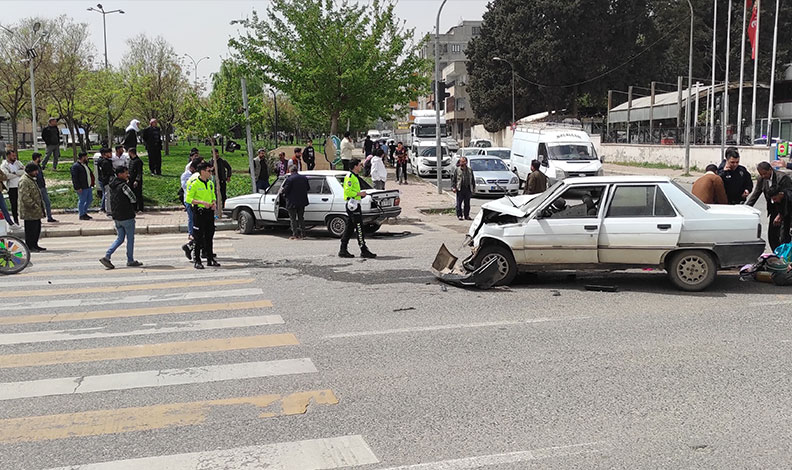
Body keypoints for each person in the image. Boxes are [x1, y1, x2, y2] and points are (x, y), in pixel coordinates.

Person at [100, 166, 142, 269]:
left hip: (117, 216)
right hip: (127, 216)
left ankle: (107, 256)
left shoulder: (112, 185)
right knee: (130, 239)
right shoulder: (124, 186)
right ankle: (130, 260)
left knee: (120, 238)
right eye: (125, 173)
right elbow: (133, 198)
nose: (128, 175)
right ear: (120, 174)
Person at [747, 162, 792, 250]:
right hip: (773, 208)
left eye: (765, 173)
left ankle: (785, 254)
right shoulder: (761, 179)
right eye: (761, 174)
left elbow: (789, 196)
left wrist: (781, 214)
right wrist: (747, 207)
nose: (763, 176)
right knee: (772, 235)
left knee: (784, 234)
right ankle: (776, 253)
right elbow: (756, 194)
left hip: (786, 209)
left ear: (770, 170)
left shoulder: (782, 178)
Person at [339, 158, 376, 259]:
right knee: (359, 227)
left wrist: (361, 195)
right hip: (353, 205)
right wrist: (359, 194)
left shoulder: (355, 177)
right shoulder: (350, 177)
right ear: (355, 166)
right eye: (359, 165)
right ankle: (363, 249)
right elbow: (348, 192)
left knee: (350, 228)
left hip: (356, 203)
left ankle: (343, 249)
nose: (361, 167)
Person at [185, 162, 219, 269]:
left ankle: (210, 258)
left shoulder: (210, 183)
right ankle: (197, 260)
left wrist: (214, 202)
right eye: (209, 171)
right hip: (199, 212)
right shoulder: (195, 184)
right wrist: (202, 202)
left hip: (209, 212)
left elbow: (212, 194)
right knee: (198, 237)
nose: (210, 173)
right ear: (202, 172)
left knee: (209, 236)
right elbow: (188, 199)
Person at [18, 162, 46, 252]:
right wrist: (34, 205)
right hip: (29, 211)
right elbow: (25, 197)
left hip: (35, 211)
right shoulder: (24, 181)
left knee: (36, 229)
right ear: (29, 171)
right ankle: (30, 246)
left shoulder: (31, 179)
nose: (36, 172)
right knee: (31, 230)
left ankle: (35, 245)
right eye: (35, 171)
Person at [180, 157, 203, 260]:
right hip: (193, 203)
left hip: (202, 204)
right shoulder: (188, 176)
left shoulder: (201, 177)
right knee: (195, 223)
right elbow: (186, 188)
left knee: (203, 230)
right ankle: (191, 245)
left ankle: (204, 250)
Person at [280, 165, 310, 239]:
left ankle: (295, 234)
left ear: (290, 171)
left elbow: (285, 190)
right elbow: (308, 188)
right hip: (302, 201)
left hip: (292, 202)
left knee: (293, 219)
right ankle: (303, 234)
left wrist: (283, 194)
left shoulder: (289, 179)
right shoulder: (304, 178)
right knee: (301, 218)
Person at [30, 152, 57, 223]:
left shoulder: (38, 166)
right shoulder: (31, 166)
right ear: (36, 158)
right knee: (37, 203)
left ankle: (49, 217)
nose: (41, 159)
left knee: (47, 202)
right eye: (40, 158)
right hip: (36, 187)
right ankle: (37, 218)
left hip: (42, 186)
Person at [1, 150, 24, 224]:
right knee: (14, 205)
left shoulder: (18, 163)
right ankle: (16, 221)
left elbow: (24, 171)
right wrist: (18, 173)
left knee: (22, 203)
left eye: (15, 155)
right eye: (13, 156)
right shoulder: (4, 165)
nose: (15, 157)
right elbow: (7, 176)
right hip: (11, 187)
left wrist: (14, 173)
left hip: (20, 185)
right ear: (8, 156)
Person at [71, 151, 94, 220]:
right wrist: (78, 187)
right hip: (82, 187)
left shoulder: (85, 165)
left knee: (89, 199)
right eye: (86, 157)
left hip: (88, 186)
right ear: (83, 157)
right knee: (82, 200)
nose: (87, 158)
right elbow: (74, 178)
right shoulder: (76, 166)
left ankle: (84, 212)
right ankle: (81, 214)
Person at [451, 156, 475, 220]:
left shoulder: (470, 170)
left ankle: (466, 215)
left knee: (467, 203)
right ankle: (459, 215)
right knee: (459, 203)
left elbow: (472, 180)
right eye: (461, 161)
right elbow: (454, 179)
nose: (462, 163)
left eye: (463, 162)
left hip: (467, 188)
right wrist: (453, 187)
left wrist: (473, 188)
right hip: (460, 188)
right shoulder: (457, 170)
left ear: (466, 162)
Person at [97, 148, 114, 214]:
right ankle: (105, 208)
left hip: (102, 179)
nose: (111, 154)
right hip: (106, 180)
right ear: (105, 154)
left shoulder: (101, 160)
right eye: (110, 153)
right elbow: (108, 172)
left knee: (105, 194)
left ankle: (104, 208)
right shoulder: (105, 162)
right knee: (107, 194)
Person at [127, 148, 144, 212]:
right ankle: (134, 208)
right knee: (132, 194)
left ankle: (140, 208)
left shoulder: (138, 161)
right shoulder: (131, 160)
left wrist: (137, 180)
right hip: (131, 180)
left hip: (136, 181)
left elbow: (139, 172)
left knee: (138, 194)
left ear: (131, 152)